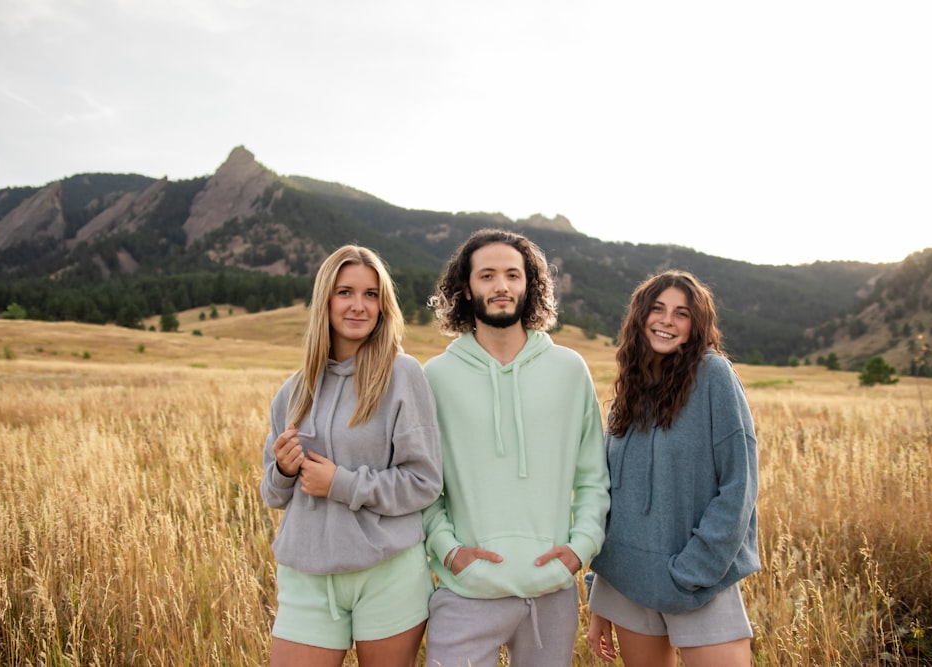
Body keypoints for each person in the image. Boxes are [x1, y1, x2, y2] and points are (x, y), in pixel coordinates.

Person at [421, 228, 611, 667]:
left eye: (513, 274)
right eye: (487, 275)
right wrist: (449, 550)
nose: (502, 286)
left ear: (530, 285)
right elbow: (423, 482)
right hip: (466, 591)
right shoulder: (436, 377)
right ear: (466, 289)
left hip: (551, 592)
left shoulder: (568, 369)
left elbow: (592, 476)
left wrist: (580, 548)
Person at [259, 245, 443, 667]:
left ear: (384, 305)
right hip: (307, 576)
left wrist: (341, 484)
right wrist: (284, 470)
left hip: (387, 572)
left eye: (371, 295)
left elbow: (424, 482)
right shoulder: (293, 391)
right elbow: (272, 494)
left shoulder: (402, 375)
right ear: (325, 299)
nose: (359, 306)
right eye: (346, 292)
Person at [585, 270, 760, 667]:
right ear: (640, 317)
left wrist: (692, 570)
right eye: (658, 309)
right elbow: (609, 497)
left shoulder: (715, 377)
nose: (667, 320)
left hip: (699, 582)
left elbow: (740, 486)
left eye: (681, 313)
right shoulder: (626, 394)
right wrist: (601, 594)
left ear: (695, 325)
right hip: (627, 585)